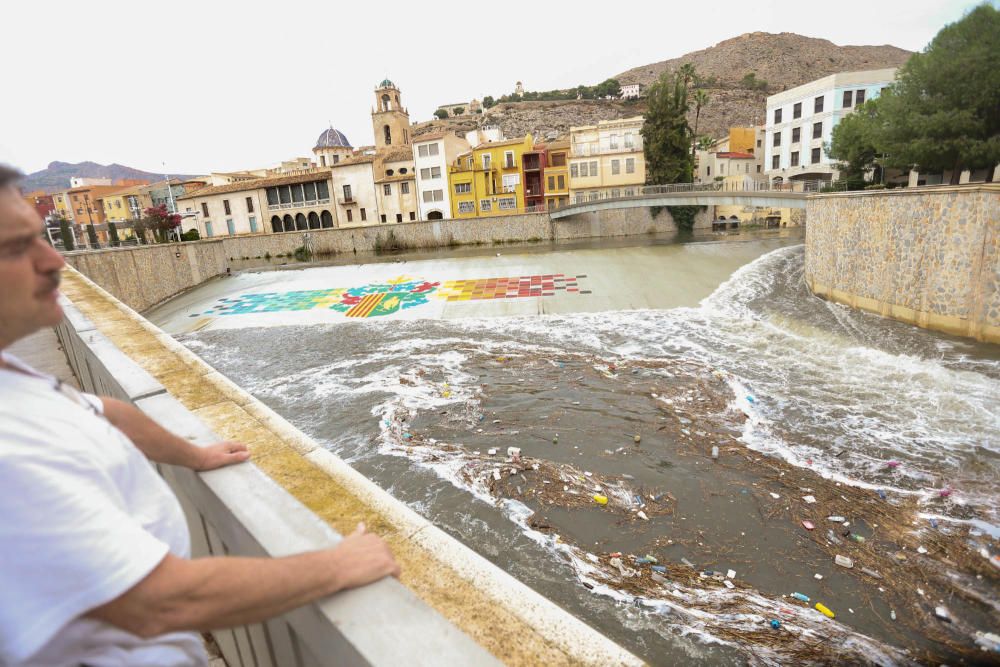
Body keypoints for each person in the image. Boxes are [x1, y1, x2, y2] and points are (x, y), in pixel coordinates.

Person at [0, 165, 400, 666]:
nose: (54, 259)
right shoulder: (8, 453)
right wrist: (338, 565)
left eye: (40, 238)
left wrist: (196, 454)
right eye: (16, 248)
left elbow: (105, 412)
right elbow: (161, 601)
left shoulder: (11, 377)